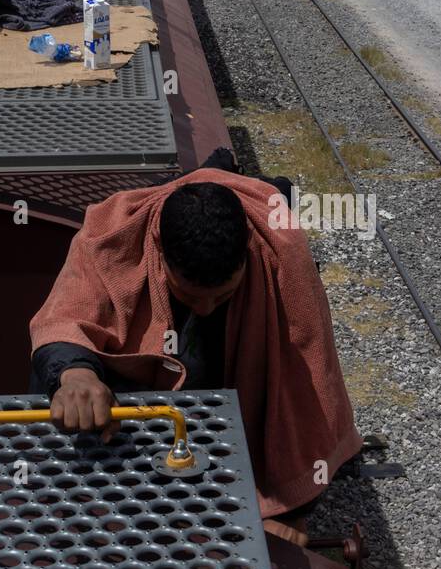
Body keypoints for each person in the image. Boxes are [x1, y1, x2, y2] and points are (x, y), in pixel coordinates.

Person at [29, 172, 362, 540]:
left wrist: (292, 508)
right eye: (189, 296)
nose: (204, 310)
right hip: (127, 428)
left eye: (221, 298)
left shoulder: (281, 252)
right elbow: (64, 319)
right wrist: (75, 374)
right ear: (159, 250)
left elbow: (304, 381)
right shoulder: (111, 233)